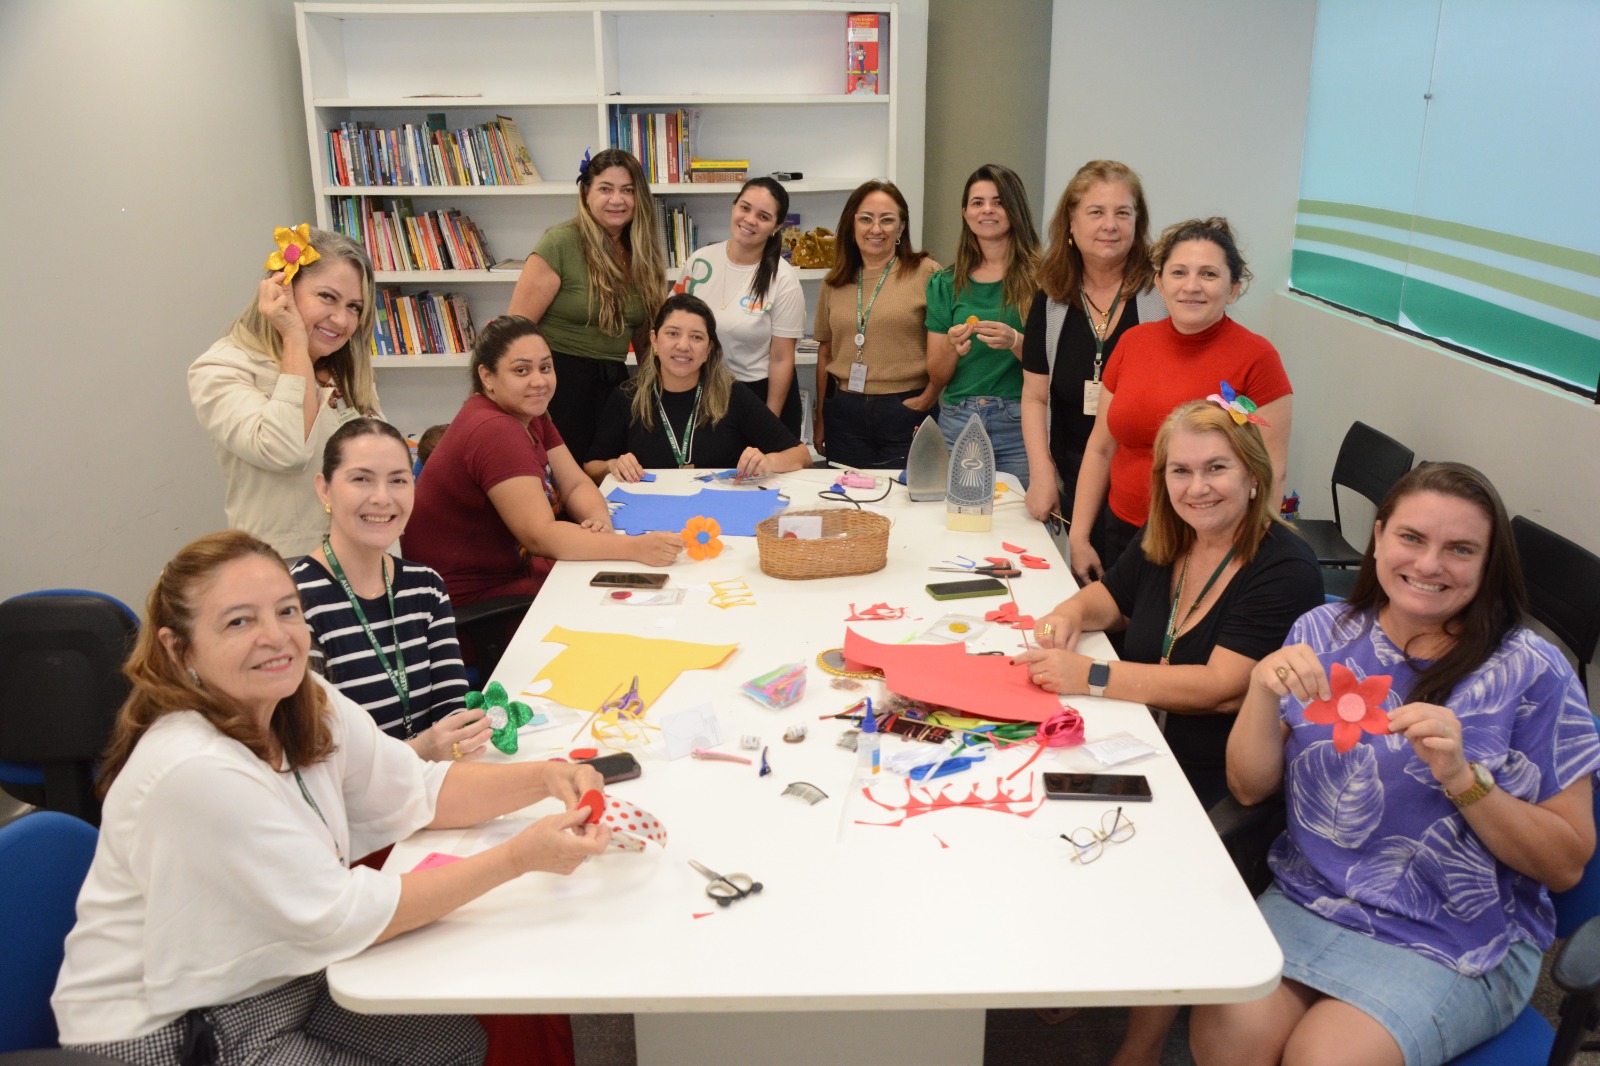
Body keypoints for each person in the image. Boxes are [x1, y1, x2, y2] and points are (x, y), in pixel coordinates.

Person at [52, 530, 611, 1063]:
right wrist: (519, 857)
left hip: (276, 973)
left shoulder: (303, 696)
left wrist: (547, 778)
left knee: (459, 1042)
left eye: (287, 610)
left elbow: (416, 787)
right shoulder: (195, 768)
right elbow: (341, 915)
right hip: (179, 1028)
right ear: (180, 650)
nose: (275, 636)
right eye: (239, 621)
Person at [1191, 462, 1600, 1066]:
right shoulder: (1321, 633)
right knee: (1230, 1036)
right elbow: (1248, 789)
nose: (1430, 565)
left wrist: (1465, 780)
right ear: (1378, 536)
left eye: (1460, 549)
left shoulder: (1533, 671)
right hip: (1312, 895)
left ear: (1489, 564)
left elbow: (1566, 865)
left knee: (1324, 1056)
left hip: (1459, 933)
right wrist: (1259, 689)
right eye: (1412, 538)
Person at [1018, 398, 1323, 1066]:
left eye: (1215, 468)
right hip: (1142, 737)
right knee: (1033, 795)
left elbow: (1219, 687)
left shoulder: (1285, 569)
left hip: (1217, 772)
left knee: (1139, 855)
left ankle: (1144, 1041)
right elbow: (1113, 602)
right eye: (1180, 471)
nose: (1197, 487)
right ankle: (1093, 961)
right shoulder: (1170, 539)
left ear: (1252, 475)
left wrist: (1091, 676)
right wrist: (1070, 611)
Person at [1068, 217, 1293, 585]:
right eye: (1178, 273)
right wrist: (1079, 536)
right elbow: (1100, 448)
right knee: (1112, 639)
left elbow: (1271, 473)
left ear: (1233, 288)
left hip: (1207, 543)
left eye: (1208, 274)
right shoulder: (1132, 343)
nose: (1191, 286)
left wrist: (1245, 560)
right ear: (1159, 283)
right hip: (1122, 532)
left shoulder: (1258, 358)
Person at [403, 316, 682, 609]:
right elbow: (541, 536)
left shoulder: (531, 413)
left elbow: (574, 484)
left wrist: (599, 522)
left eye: (545, 368)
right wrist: (636, 548)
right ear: (487, 376)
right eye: (521, 370)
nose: (539, 381)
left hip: (514, 572)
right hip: (473, 604)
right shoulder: (493, 429)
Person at [291, 418, 492, 762]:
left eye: (398, 480)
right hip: (352, 808)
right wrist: (420, 751)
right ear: (324, 489)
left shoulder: (426, 587)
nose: (382, 498)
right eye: (361, 479)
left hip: (430, 787)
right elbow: (316, 757)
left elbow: (451, 716)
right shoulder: (294, 602)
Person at [190, 225, 380, 559]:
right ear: (283, 289)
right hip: (284, 569)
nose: (341, 319)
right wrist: (293, 335)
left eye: (354, 307)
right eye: (327, 297)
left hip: (365, 557)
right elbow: (285, 451)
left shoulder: (345, 371)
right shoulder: (222, 367)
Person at [1019, 161, 1167, 536]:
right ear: (1071, 221)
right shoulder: (1051, 298)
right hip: (1070, 475)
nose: (1110, 225)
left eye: (1123, 213)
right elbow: (1035, 396)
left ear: (1138, 223)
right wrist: (1042, 475)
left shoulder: (1162, 296)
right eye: (1096, 212)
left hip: (1148, 487)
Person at [507, 148, 667, 462]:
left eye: (628, 191)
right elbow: (514, 332)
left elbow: (647, 343)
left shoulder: (643, 254)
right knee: (562, 488)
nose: (617, 200)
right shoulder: (560, 242)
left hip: (614, 388)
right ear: (586, 192)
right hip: (557, 386)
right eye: (605, 189)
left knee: (609, 481)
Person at [585, 293, 811, 482]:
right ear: (654, 340)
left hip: (719, 516)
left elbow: (801, 455)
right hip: (650, 519)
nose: (683, 346)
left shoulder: (732, 394)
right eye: (672, 333)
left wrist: (767, 461)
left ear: (709, 348)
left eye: (696, 337)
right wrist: (613, 465)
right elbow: (591, 467)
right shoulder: (627, 397)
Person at [925, 163, 1042, 487]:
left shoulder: (1044, 280)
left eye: (998, 201)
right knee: (957, 520)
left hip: (1020, 422)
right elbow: (937, 375)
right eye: (978, 202)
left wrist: (1017, 341)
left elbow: (1054, 366)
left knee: (1021, 523)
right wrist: (952, 348)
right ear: (965, 213)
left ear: (1015, 208)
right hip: (957, 418)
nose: (987, 210)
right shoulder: (944, 283)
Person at [813, 180, 942, 471]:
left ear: (900, 228)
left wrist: (930, 396)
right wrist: (820, 416)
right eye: (866, 219)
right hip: (844, 412)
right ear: (852, 224)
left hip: (906, 409)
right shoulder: (833, 282)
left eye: (887, 220)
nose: (875, 229)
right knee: (847, 505)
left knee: (906, 504)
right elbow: (825, 353)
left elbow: (945, 347)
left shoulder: (927, 273)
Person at [672, 177, 806, 435]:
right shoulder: (700, 261)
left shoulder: (784, 278)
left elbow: (781, 358)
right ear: (733, 207)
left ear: (777, 226)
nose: (750, 220)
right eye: (744, 208)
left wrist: (769, 423)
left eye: (763, 216)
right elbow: (671, 322)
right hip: (704, 390)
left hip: (758, 394)